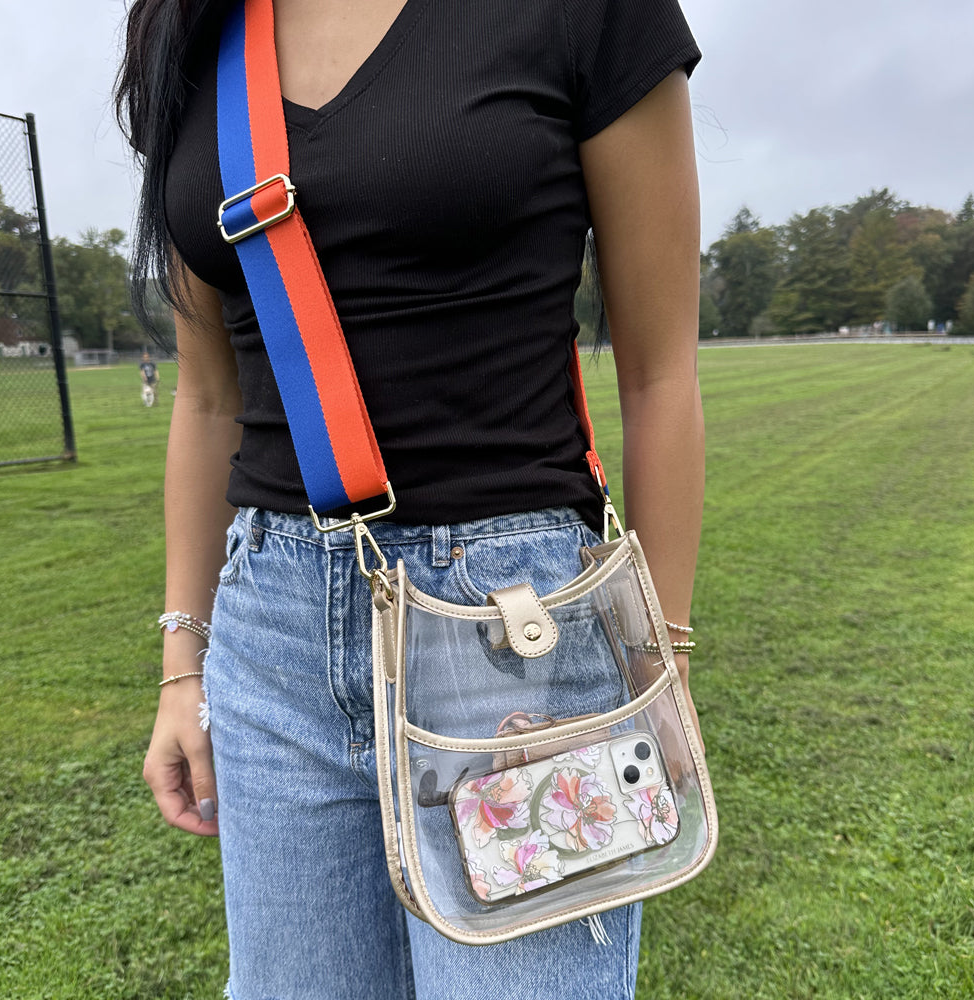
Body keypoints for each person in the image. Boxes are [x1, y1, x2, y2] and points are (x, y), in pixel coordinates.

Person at [116, 1, 704, 997]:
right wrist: (185, 663)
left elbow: (660, 378)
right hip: (270, 643)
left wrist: (660, 660)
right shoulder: (188, 31)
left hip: (516, 643)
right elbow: (208, 394)